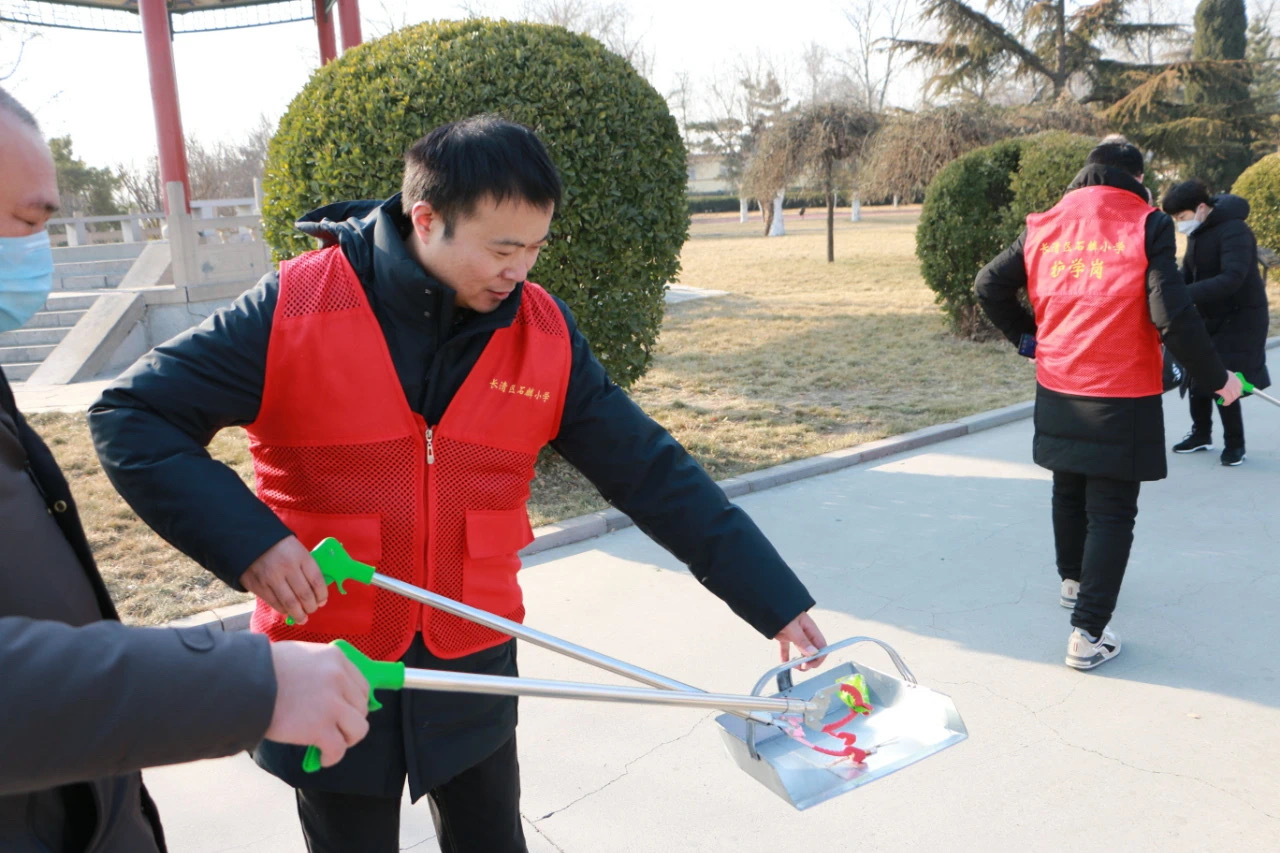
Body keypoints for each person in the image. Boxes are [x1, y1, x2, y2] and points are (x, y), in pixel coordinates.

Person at [89, 114, 828, 853]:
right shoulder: (297, 306)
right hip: (330, 662)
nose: (521, 271)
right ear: (427, 218)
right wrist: (251, 543)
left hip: (473, 660)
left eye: (535, 249)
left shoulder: (542, 334)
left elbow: (654, 473)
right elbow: (131, 414)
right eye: (503, 248)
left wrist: (775, 600)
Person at [0, 88, 371, 851]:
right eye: (29, 223)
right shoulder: (299, 302)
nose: (37, 250)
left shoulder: (536, 319)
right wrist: (246, 677)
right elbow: (135, 415)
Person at [974, 141, 1242, 671]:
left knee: (1069, 488)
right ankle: (1088, 634)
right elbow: (1173, 313)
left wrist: (1031, 339)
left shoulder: (1044, 223)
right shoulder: (1146, 223)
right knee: (1112, 512)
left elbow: (988, 284)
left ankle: (1074, 586)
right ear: (1136, 176)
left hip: (1058, 385)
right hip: (1121, 391)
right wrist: (1218, 379)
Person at [1160, 179, 1269, 466]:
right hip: (1209, 313)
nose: (1179, 224)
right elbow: (1188, 273)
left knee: (1224, 379)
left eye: (1180, 218)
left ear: (1201, 208)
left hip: (1240, 317)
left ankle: (1235, 444)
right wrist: (1169, 292)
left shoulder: (1235, 230)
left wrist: (1185, 294)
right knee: (1197, 372)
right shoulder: (1199, 232)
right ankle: (1201, 433)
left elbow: (1232, 278)